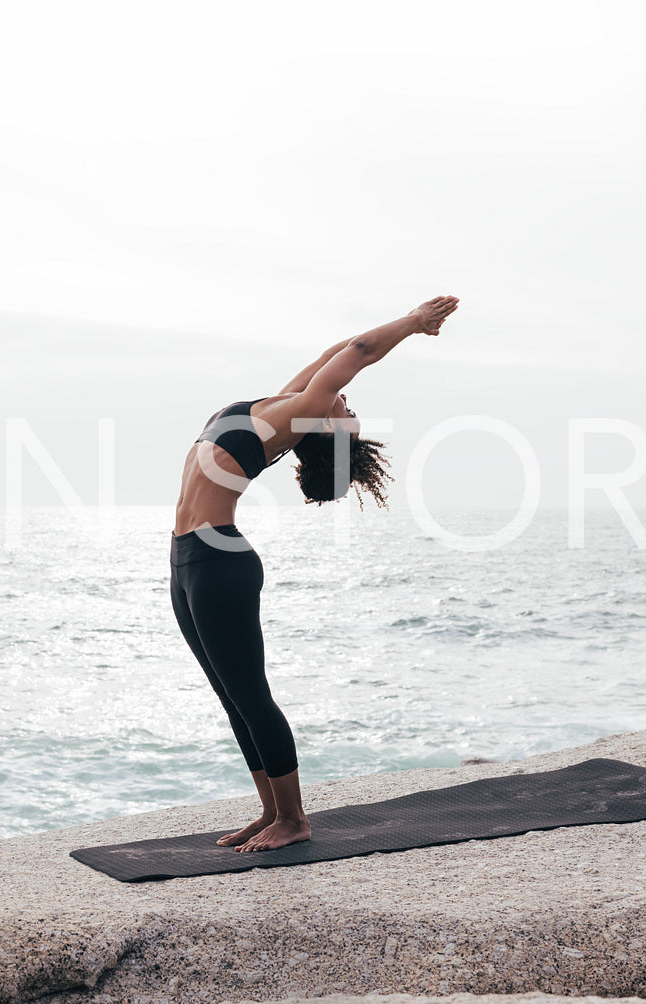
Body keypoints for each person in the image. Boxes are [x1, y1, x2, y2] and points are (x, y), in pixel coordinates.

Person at [170, 294, 461, 852]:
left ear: (327, 429)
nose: (346, 402)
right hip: (185, 559)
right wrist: (408, 323)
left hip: (218, 562)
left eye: (347, 413)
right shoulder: (288, 404)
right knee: (230, 695)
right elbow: (336, 351)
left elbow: (356, 353)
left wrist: (413, 324)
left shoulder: (299, 414)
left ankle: (295, 819)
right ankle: (269, 811)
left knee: (251, 695)